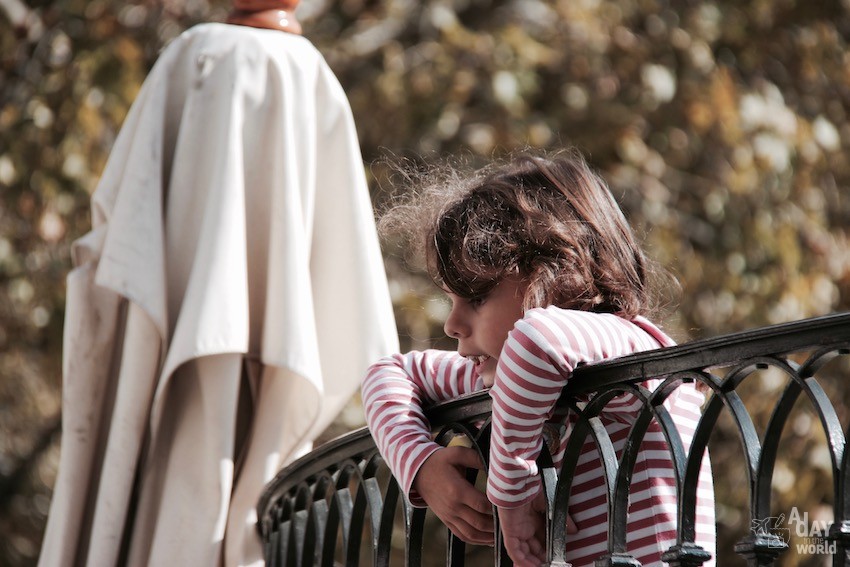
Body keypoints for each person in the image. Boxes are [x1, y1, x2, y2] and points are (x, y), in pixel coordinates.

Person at [362, 149, 716, 567]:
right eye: (451, 300)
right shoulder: (505, 378)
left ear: (557, 277)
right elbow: (388, 372)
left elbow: (537, 339)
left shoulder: (634, 349)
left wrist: (510, 496)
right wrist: (421, 465)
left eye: (475, 298)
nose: (451, 324)